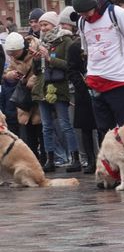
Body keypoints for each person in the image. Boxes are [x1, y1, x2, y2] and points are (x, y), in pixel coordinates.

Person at [72, 0, 124, 137]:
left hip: (120, 80)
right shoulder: (82, 22)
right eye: (81, 13)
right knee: (104, 131)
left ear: (94, 5)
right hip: (96, 82)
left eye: (86, 11)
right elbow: (87, 50)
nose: (84, 15)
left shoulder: (117, 14)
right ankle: (108, 160)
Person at [31, 11, 81, 172]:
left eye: (46, 25)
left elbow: (69, 65)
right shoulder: (41, 42)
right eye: (41, 25)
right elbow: (36, 71)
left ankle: (75, 158)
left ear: (54, 24)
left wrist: (49, 58)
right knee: (46, 126)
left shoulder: (65, 40)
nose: (43, 28)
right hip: (43, 88)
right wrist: (37, 60)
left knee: (65, 124)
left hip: (59, 87)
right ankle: (50, 159)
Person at [62, 6, 98, 174]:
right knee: (86, 127)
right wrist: (82, 85)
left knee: (103, 127)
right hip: (84, 92)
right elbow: (72, 70)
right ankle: (90, 159)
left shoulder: (98, 40)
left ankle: (104, 159)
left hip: (102, 88)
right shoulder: (75, 47)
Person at [2, 32, 46, 162]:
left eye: (13, 52)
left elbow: (43, 69)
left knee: (41, 127)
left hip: (37, 94)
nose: (11, 56)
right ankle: (33, 158)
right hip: (24, 99)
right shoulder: (14, 57)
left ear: (22, 48)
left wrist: (35, 79)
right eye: (9, 53)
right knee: (28, 128)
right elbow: (7, 71)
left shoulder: (35, 51)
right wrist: (9, 75)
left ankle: (45, 158)